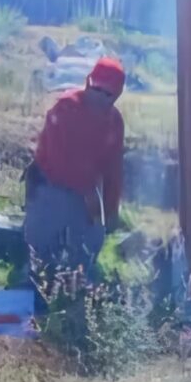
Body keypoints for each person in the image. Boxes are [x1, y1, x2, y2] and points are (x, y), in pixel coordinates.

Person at [22, 56, 127, 283]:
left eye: (106, 94)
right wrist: (87, 192)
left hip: (87, 187)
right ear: (88, 82)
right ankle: (36, 275)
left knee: (91, 240)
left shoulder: (114, 122)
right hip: (50, 181)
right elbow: (60, 158)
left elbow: (113, 168)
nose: (98, 96)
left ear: (117, 95)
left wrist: (110, 207)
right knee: (42, 243)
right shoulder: (67, 107)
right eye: (95, 89)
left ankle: (77, 280)